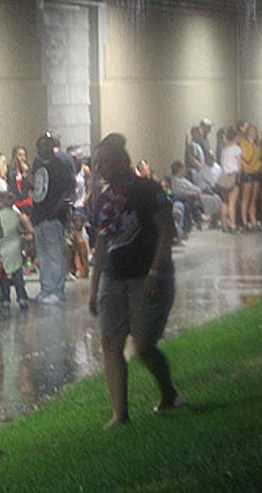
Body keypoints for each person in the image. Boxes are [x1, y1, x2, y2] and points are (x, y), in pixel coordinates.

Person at [88, 134, 182, 429]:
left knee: (143, 346)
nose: (100, 169)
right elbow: (101, 244)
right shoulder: (104, 200)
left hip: (147, 277)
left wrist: (156, 271)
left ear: (121, 161)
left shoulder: (146, 189)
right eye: (97, 164)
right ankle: (119, 415)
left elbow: (166, 230)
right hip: (114, 278)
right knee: (110, 342)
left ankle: (168, 393)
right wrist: (94, 287)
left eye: (104, 163)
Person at [31, 131, 75, 304]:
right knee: (43, 255)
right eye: (40, 145)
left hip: (54, 216)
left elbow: (69, 190)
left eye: (46, 144)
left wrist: (58, 211)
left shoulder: (61, 164)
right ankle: (46, 288)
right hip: (39, 215)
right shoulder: (37, 163)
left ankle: (57, 291)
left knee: (55, 254)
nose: (43, 148)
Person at [0, 191, 33, 309]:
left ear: (1, 203)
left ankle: (5, 299)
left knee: (4, 277)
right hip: (15, 247)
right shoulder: (16, 215)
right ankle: (22, 297)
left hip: (2, 248)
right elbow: (19, 229)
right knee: (18, 275)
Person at [67, 146, 92, 279]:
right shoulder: (67, 170)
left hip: (79, 205)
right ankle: (72, 267)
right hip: (69, 205)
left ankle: (85, 266)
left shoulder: (85, 170)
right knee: (71, 239)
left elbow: (89, 188)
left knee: (78, 235)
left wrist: (84, 201)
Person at [239, 124, 262, 230]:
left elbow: (259, 157)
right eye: (251, 131)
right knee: (246, 198)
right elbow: (247, 157)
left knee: (254, 198)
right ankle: (244, 221)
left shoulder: (257, 144)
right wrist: (251, 145)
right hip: (247, 172)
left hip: (256, 172)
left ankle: (253, 221)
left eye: (255, 131)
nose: (253, 133)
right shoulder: (244, 143)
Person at [218, 127, 242, 232]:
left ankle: (223, 224)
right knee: (232, 202)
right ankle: (233, 225)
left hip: (223, 176)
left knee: (225, 201)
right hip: (233, 176)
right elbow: (239, 164)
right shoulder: (237, 149)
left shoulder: (224, 149)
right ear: (236, 137)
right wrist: (239, 176)